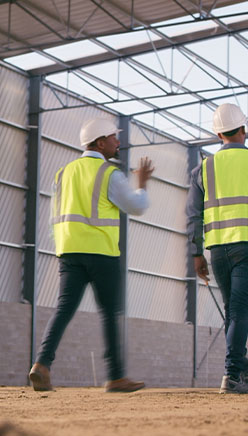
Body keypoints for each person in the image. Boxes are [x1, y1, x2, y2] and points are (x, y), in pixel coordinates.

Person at [28, 118, 154, 393]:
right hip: (101, 252)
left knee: (63, 309)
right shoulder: (109, 173)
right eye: (113, 137)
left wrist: (62, 245)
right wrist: (142, 183)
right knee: (110, 312)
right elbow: (137, 206)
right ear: (99, 143)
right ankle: (116, 376)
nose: (117, 142)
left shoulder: (64, 172)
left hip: (68, 251)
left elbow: (54, 215)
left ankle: (42, 364)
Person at [186, 103, 248, 394]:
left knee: (234, 311)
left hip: (218, 249)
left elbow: (193, 215)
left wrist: (196, 253)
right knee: (240, 310)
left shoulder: (203, 169)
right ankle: (232, 375)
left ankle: (240, 370)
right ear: (244, 129)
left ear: (218, 133)